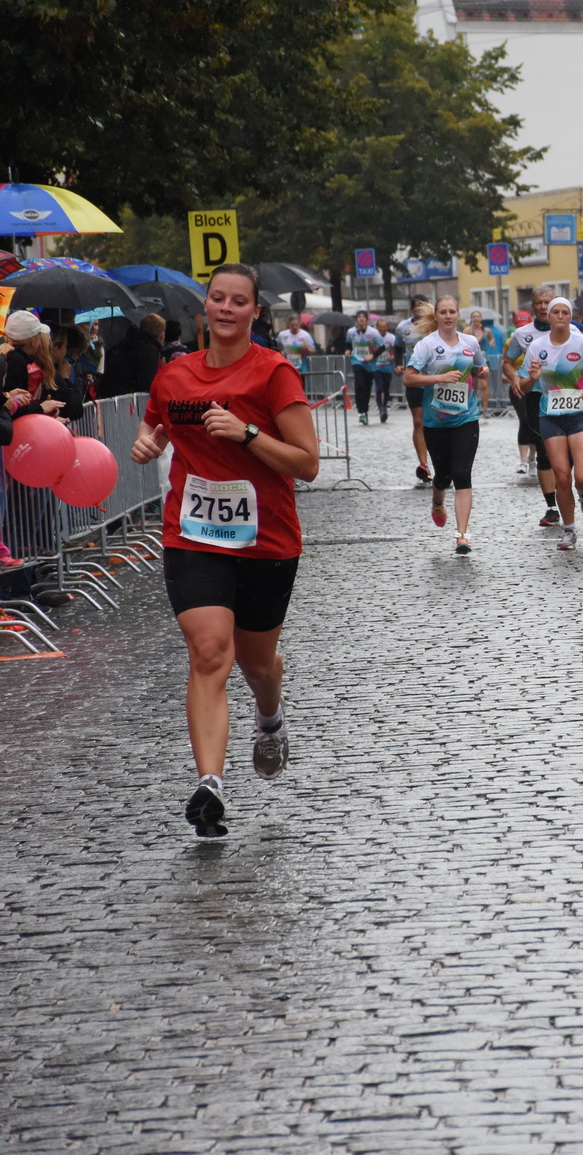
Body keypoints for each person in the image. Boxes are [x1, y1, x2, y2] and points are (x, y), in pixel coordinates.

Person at [129, 262, 319, 838]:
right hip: (193, 536)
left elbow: (307, 463)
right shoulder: (174, 376)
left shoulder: (274, 374)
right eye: (218, 299)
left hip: (266, 540)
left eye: (240, 301)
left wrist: (249, 434)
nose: (228, 309)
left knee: (255, 662)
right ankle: (210, 783)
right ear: (203, 307)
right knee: (211, 651)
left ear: (255, 312)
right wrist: (145, 442)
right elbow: (156, 429)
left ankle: (270, 718)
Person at [524, 297, 583, 550]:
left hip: (580, 416)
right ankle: (569, 530)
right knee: (562, 477)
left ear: (570, 316)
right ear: (549, 317)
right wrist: (531, 379)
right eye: (555, 312)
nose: (560, 316)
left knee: (582, 478)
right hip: (550, 417)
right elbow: (522, 385)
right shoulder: (536, 346)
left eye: (565, 312)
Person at [403, 296, 488, 554]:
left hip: (466, 417)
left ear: (458, 314)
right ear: (437, 316)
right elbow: (409, 378)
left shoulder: (470, 342)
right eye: (443, 312)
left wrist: (482, 372)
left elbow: (480, 366)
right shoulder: (426, 346)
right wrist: (440, 377)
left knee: (462, 474)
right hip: (435, 421)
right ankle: (437, 500)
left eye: (452, 311)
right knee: (444, 475)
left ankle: (462, 536)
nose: (448, 316)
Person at [501, 287, 561, 527]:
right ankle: (551, 507)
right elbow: (506, 362)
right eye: (539, 303)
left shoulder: (572, 330)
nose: (544, 307)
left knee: (566, 455)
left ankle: (574, 490)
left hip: (563, 396)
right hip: (536, 397)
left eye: (548, 302)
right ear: (532, 306)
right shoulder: (522, 334)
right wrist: (515, 377)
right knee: (545, 451)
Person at [397, 300, 435, 486]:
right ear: (412, 309)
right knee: (418, 421)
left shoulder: (434, 324)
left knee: (435, 422)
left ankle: (441, 465)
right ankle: (424, 464)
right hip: (414, 380)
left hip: (434, 381)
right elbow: (397, 347)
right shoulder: (403, 328)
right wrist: (398, 363)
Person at [101, 314, 166, 397]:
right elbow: (146, 381)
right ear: (161, 334)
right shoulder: (148, 350)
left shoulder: (131, 343)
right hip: (126, 397)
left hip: (112, 392)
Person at [344, 311, 380, 424]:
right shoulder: (351, 332)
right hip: (356, 361)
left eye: (363, 317)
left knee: (366, 388)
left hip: (369, 364)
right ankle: (361, 412)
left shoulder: (373, 332)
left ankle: (365, 410)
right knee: (359, 385)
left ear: (366, 320)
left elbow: (382, 347)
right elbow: (348, 344)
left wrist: (373, 355)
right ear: (356, 319)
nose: (361, 319)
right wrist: (347, 350)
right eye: (359, 317)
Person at [370, 317, 396, 421]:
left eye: (384, 327)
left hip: (387, 367)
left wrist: (392, 358)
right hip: (376, 367)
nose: (382, 329)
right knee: (379, 388)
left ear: (387, 327)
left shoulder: (392, 338)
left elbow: (397, 352)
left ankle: (384, 406)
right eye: (380, 327)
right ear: (377, 327)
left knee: (386, 389)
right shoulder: (373, 338)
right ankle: (381, 408)